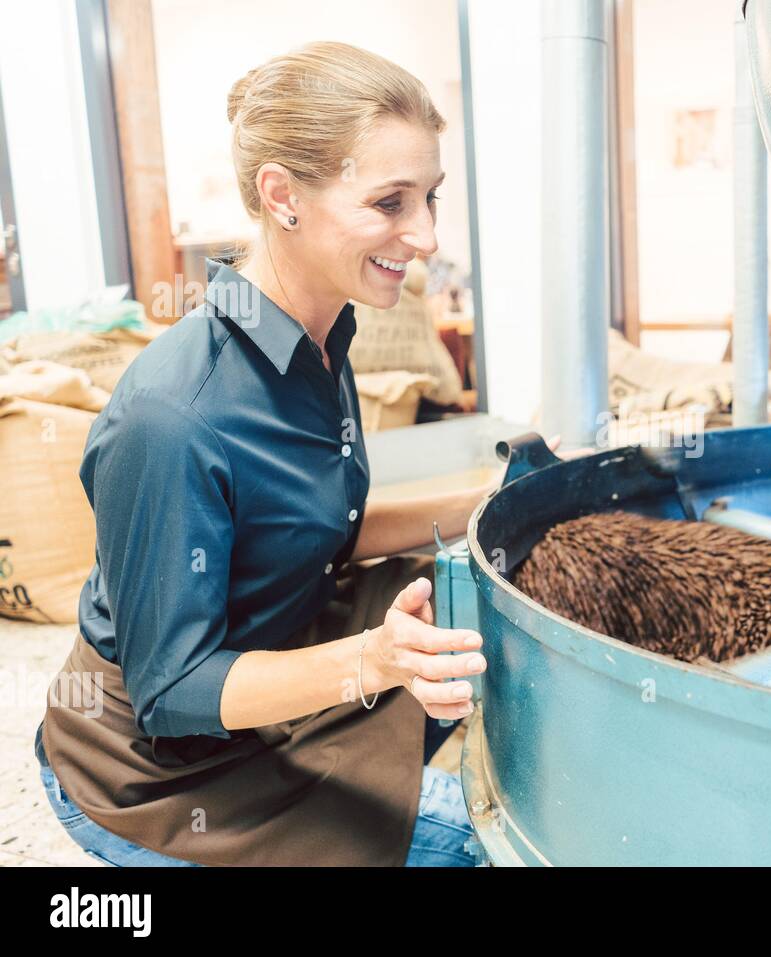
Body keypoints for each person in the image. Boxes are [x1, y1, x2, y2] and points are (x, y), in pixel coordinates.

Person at [34, 41, 492, 866]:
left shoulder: (322, 338)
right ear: (282, 196)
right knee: (472, 844)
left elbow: (316, 526)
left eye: (430, 197)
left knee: (462, 607)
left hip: (268, 656)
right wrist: (376, 660)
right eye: (390, 202)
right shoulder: (172, 416)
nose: (424, 235)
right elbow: (171, 691)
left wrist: (480, 503)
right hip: (154, 771)